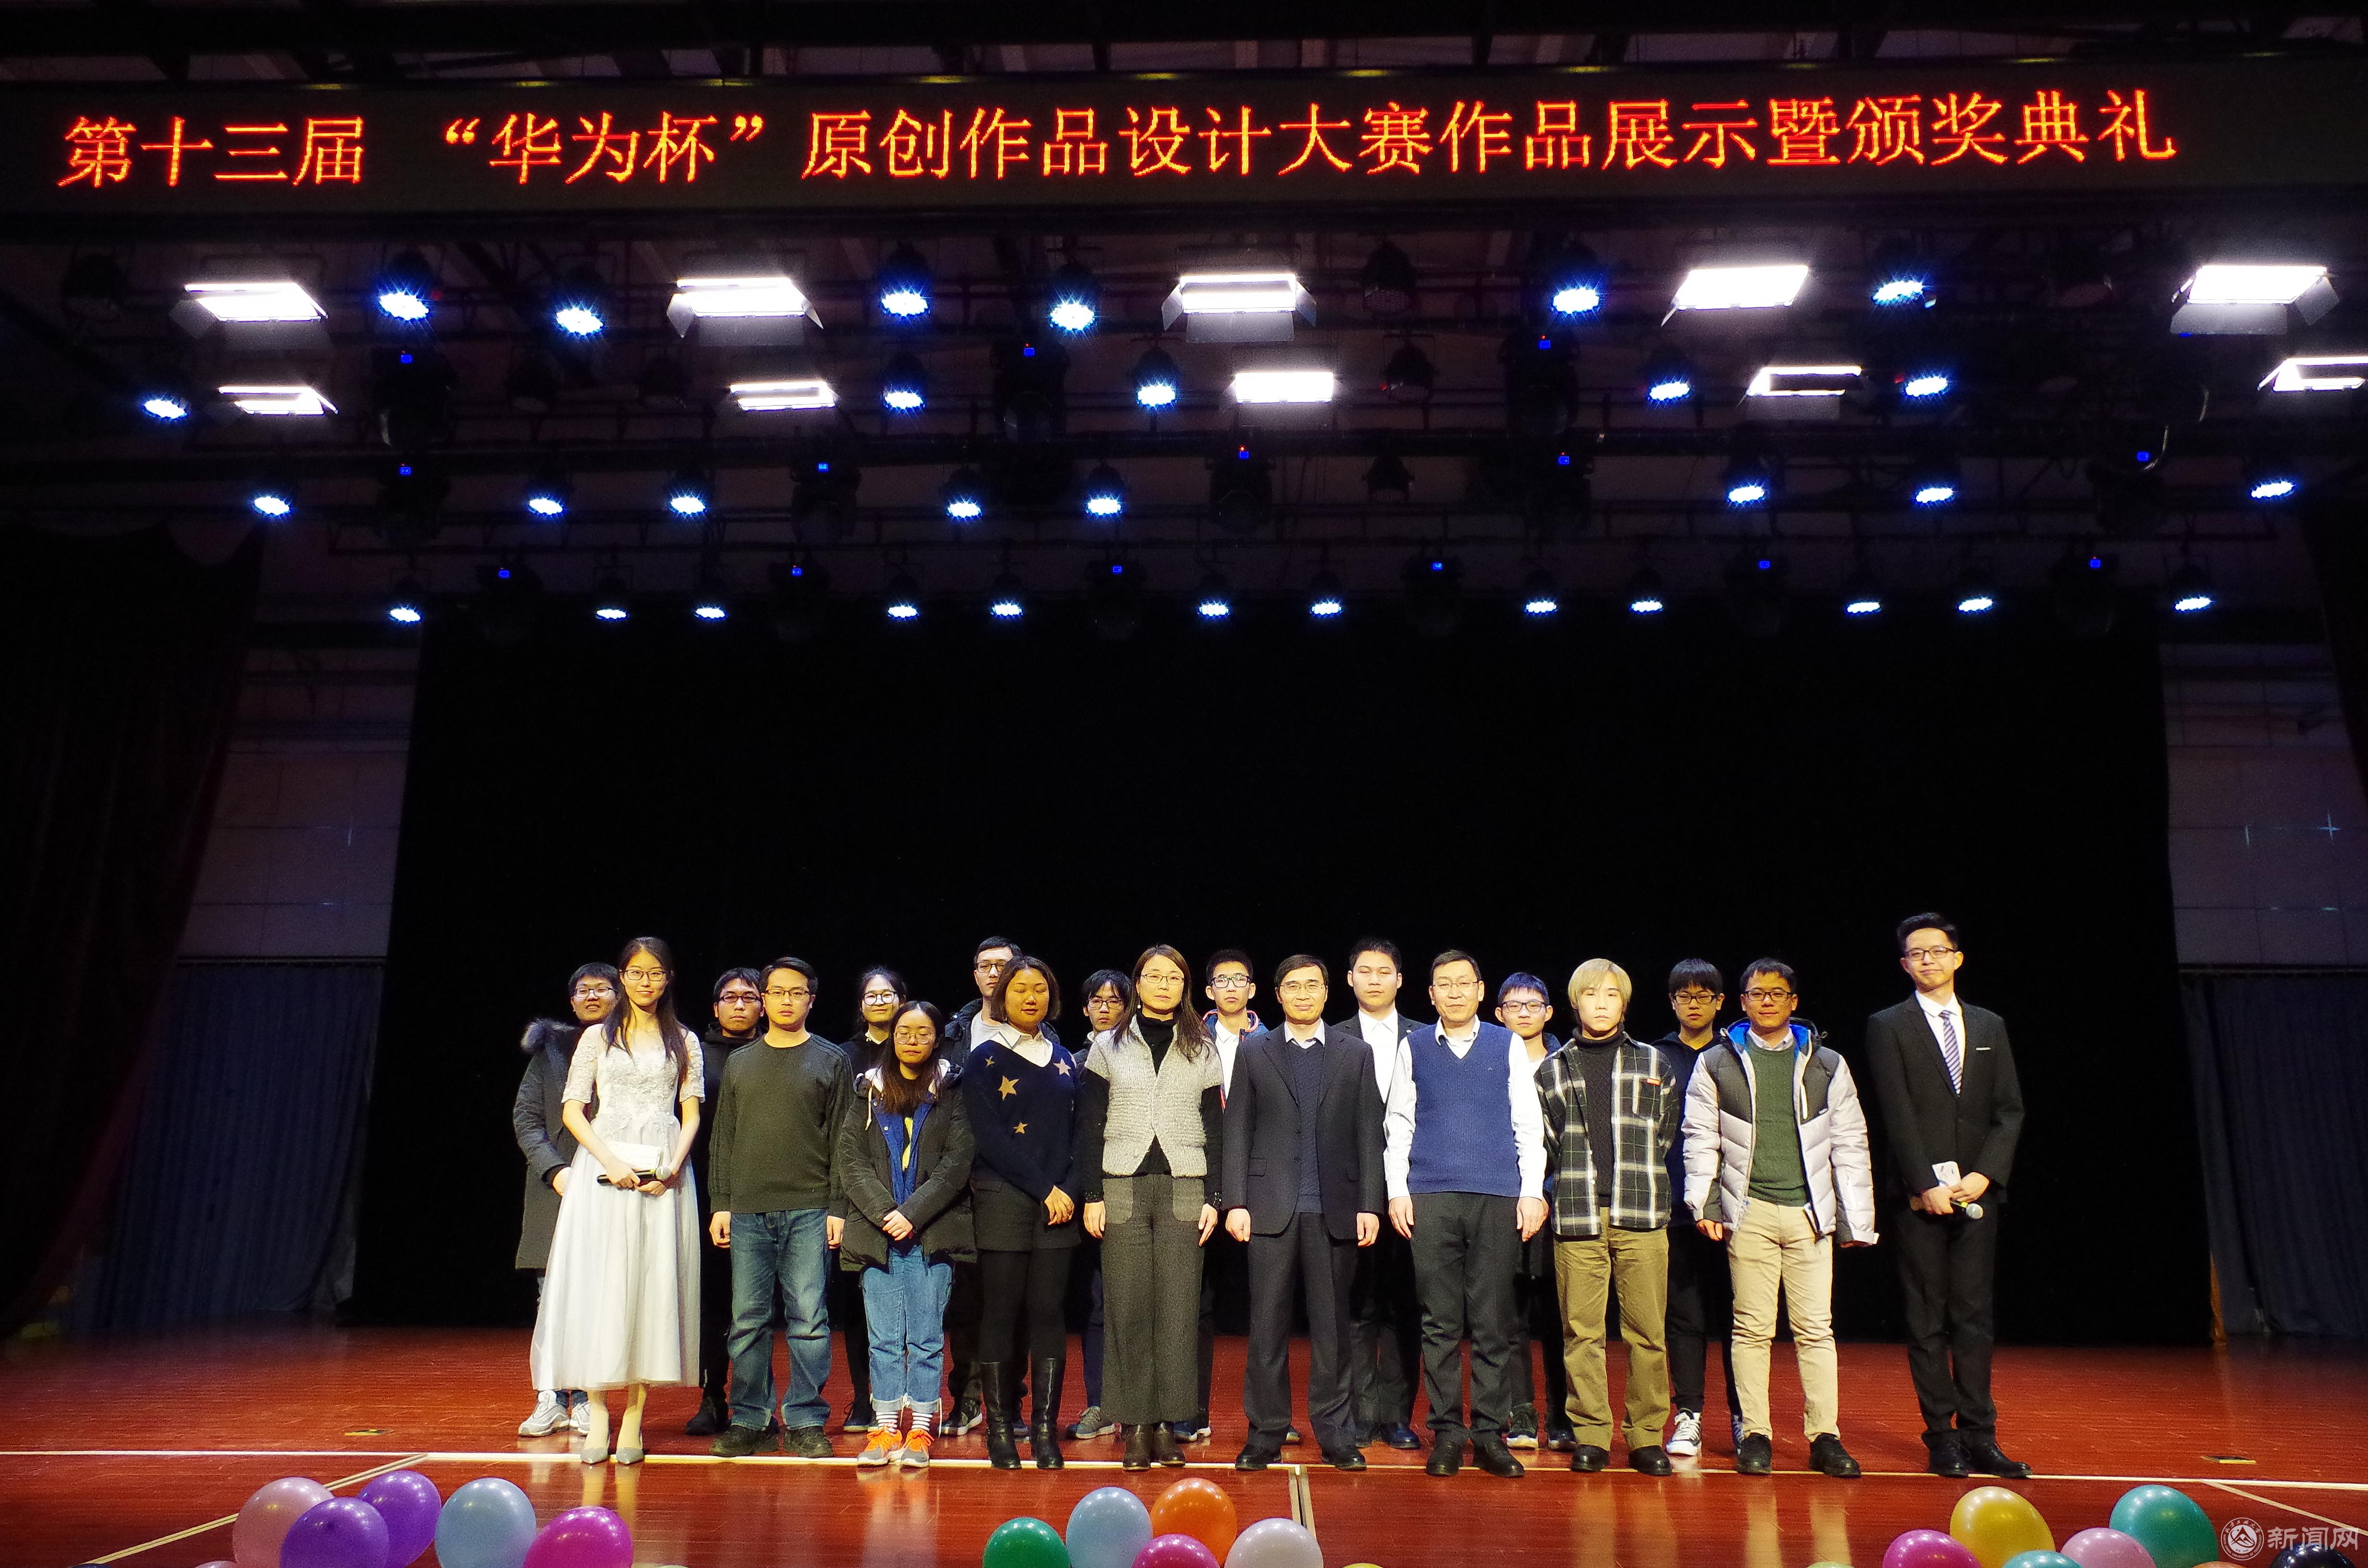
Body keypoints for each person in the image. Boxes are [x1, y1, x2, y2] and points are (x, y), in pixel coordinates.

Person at [1681, 959, 1876, 1481]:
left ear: (1794, 1002)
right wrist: (1703, 1203)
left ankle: (1824, 1437)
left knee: (1816, 1329)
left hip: (1809, 1214)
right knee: (1750, 1329)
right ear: (1742, 1002)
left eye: (1777, 993)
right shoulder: (1717, 1062)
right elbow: (1700, 1138)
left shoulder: (1826, 1063)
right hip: (1749, 1213)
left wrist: (1856, 1220)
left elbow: (1849, 1142)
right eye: (1756, 993)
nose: (1766, 1000)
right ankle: (1756, 1434)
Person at [1863, 914, 2030, 1481]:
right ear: (1903, 964)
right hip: (1920, 1198)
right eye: (1916, 954)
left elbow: (2008, 1111)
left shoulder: (1988, 1025)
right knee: (1925, 1317)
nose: (1927, 961)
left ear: (1956, 957)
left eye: (1936, 951)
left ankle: (1981, 1435)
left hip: (1976, 1194)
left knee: (1973, 1316)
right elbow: (1895, 1113)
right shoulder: (1888, 1025)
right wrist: (1923, 1184)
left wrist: (1985, 1175)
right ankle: (1941, 1437)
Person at [530, 937, 705, 1466]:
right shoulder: (596, 1037)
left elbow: (691, 1113)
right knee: (602, 1287)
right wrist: (608, 1160)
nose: (646, 982)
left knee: (651, 1287)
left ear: (668, 978)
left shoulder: (684, 1039)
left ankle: (634, 1415)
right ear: (623, 977)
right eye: (636, 972)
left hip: (662, 1171)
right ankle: (599, 1411)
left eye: (655, 972)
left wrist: (671, 1167)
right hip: (603, 1171)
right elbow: (573, 1111)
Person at [1383, 950, 1548, 1481]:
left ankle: (1490, 1434)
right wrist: (1397, 1191)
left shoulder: (1507, 1045)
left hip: (1497, 1196)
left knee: (1493, 1321)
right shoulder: (1413, 1047)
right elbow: (1399, 1123)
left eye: (1464, 984)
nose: (1454, 993)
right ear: (1430, 994)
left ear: (1480, 991)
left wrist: (1530, 1192)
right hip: (1430, 1196)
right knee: (1439, 1322)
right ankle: (1448, 1433)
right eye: (1443, 985)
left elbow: (1528, 1124)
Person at [1223, 954, 1383, 1472]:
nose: (1303, 994)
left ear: (1327, 992)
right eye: (1293, 986)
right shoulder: (1254, 1051)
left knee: (1333, 1330)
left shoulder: (1355, 1054)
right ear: (1277, 994)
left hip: (1336, 1208)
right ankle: (1265, 1433)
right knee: (1266, 1327)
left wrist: (1370, 1205)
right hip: (1270, 1207)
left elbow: (1369, 1133)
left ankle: (1336, 1434)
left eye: (1312, 985)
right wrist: (1236, 1201)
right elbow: (1237, 1128)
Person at [1079, 946, 1226, 1472]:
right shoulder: (1107, 1045)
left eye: (1174, 978)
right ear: (1137, 984)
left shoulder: (1202, 1047)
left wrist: (1215, 1198)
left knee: (1179, 1311)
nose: (1164, 985)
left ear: (1184, 987)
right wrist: (1091, 1195)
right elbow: (1089, 1123)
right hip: (1121, 1183)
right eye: (1154, 976)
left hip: (1185, 1186)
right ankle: (1135, 1426)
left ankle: (1167, 1425)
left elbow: (1216, 1126)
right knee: (1127, 1309)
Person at [707, 957, 856, 1460]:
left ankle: (806, 1419)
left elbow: (843, 1141)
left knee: (809, 1319)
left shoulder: (831, 1060)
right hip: (748, 1210)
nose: (786, 1001)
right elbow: (723, 1139)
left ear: (811, 1000)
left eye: (797, 992)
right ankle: (750, 1418)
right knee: (747, 1320)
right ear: (764, 999)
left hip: (809, 1208)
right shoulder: (741, 1062)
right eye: (777, 992)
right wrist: (722, 1204)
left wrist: (838, 1206)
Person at [1536, 960, 1679, 1477]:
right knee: (1582, 1334)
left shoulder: (1653, 1062)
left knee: (1647, 1332)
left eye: (1611, 995)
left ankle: (1646, 1436)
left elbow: (1664, 1134)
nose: (1601, 1003)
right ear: (1575, 1003)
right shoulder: (1551, 1069)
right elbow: (1547, 1142)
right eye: (1591, 995)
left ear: (1625, 1004)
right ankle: (1592, 1435)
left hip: (1640, 1211)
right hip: (1578, 1213)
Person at [836, 1001, 975, 1471]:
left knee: (926, 1339)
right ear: (892, 1037)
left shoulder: (952, 1090)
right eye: (903, 1033)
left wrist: (911, 1214)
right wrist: (885, 1213)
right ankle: (884, 1427)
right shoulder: (869, 1090)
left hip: (931, 1235)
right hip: (878, 1235)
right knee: (883, 1339)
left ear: (937, 1039)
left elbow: (957, 1163)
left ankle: (919, 1428)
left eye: (923, 1033)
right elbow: (851, 1160)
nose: (912, 1041)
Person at [960, 956, 1082, 1470]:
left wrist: (1067, 1190)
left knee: (1048, 1314)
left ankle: (1044, 1432)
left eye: (1039, 989)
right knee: (1001, 1313)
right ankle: (999, 1430)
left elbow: (1080, 1134)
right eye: (1019, 989)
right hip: (1004, 1200)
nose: (1030, 997)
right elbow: (989, 1138)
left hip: (1060, 1207)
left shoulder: (1065, 1057)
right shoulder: (983, 1058)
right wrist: (1043, 1188)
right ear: (1001, 996)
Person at [943, 936, 1050, 1435]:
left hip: (1015, 1186)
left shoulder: (1044, 1035)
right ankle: (966, 1399)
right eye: (986, 966)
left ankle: (1011, 1400)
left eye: (1004, 966)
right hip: (959, 1184)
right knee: (967, 1301)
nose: (995, 974)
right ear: (976, 975)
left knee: (1016, 1301)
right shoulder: (953, 1033)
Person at [514, 963, 617, 1439]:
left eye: (602, 988)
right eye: (583, 990)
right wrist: (555, 1171)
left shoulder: (633, 1047)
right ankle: (551, 1398)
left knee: (599, 1298)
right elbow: (527, 1119)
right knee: (550, 1298)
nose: (592, 996)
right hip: (556, 1189)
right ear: (572, 1001)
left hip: (612, 1184)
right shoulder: (549, 1051)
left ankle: (589, 1399)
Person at [1656, 959, 1744, 1461]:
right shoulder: (1655, 1056)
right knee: (1684, 1316)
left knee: (1739, 1317)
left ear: (1720, 1002)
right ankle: (1688, 1414)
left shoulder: (1736, 1055)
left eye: (1703, 995)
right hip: (1674, 1208)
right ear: (1672, 1002)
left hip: (1733, 1207)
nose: (1693, 1004)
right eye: (1684, 996)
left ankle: (1743, 1416)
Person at [1343, 938, 1423, 1451]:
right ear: (1350, 979)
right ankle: (1358, 1413)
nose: (1374, 980)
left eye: (1384, 971)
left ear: (1399, 979)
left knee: (1403, 1306)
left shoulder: (1425, 1037)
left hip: (1412, 1189)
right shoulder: (1331, 1037)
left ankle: (1395, 1416)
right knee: (1355, 1307)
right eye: (1365, 971)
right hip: (1350, 1190)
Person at [1493, 973, 1573, 1453]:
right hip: (1504, 1200)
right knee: (1509, 1314)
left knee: (1561, 1315)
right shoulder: (1488, 1060)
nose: (1523, 1013)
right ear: (1498, 1014)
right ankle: (1520, 1411)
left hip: (1561, 1202)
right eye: (1513, 1005)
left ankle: (1563, 1414)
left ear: (1549, 1012)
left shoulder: (1568, 1062)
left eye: (1533, 1005)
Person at [830, 967, 910, 1436]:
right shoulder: (843, 1057)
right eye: (871, 995)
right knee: (860, 1306)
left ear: (902, 999)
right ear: (861, 1004)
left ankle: (914, 1399)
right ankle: (866, 1399)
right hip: (859, 1195)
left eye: (888, 994)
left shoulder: (919, 1049)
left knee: (913, 1306)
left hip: (912, 1196)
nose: (880, 1001)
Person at [685, 968, 764, 1438]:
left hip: (765, 1191)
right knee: (714, 1301)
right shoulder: (697, 1054)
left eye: (748, 997)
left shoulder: (774, 1049)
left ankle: (755, 1402)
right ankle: (712, 1395)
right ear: (715, 1007)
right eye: (729, 997)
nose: (739, 1004)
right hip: (706, 1192)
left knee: (757, 1306)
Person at [1186, 950, 1261, 1445]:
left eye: (1239, 980)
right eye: (1221, 980)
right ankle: (1190, 1412)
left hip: (1262, 1183)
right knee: (1196, 1301)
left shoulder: (1274, 1040)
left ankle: (1269, 1417)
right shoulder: (1190, 1038)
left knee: (1268, 1303)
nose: (1231, 987)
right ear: (1209, 990)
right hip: (1201, 1181)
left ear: (1252, 989)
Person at [1064, 968, 1134, 1444]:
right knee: (1098, 1303)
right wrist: (1089, 1194)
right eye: (1097, 1001)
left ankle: (1148, 1408)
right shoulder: (1070, 1063)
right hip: (1093, 1196)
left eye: (1115, 1001)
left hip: (1141, 1191)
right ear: (1085, 1007)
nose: (1105, 1008)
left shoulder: (1144, 1057)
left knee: (1146, 1304)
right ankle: (1101, 1404)